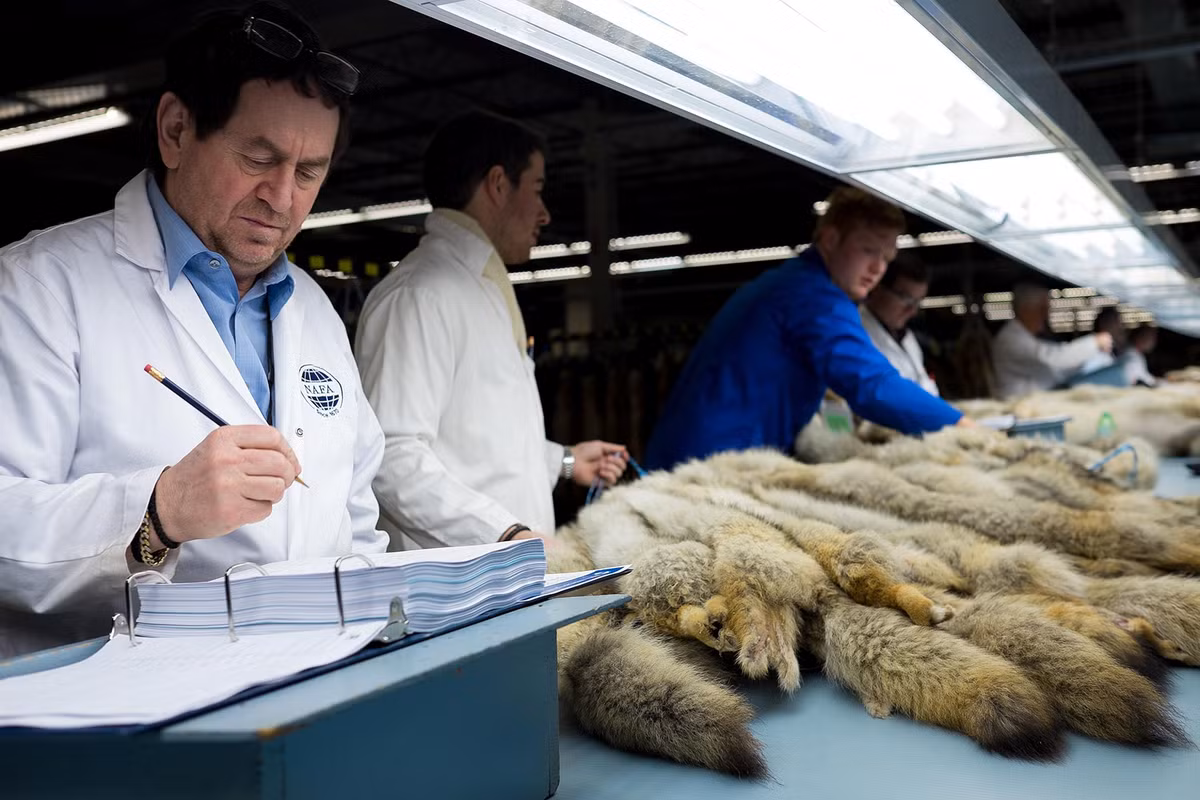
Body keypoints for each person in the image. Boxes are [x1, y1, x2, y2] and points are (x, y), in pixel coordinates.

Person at [0, 2, 386, 657]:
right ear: (176, 129)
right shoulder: (37, 286)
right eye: (258, 157)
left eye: (310, 172)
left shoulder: (314, 309)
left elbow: (355, 516)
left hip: (309, 688)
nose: (284, 197)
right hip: (110, 713)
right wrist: (157, 512)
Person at [355, 110, 627, 550]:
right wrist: (501, 533)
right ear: (498, 185)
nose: (545, 213)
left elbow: (481, 436)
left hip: (508, 575)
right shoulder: (421, 294)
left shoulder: (480, 288)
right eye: (536, 189)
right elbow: (392, 455)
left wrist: (564, 460)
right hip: (458, 592)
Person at [643, 187, 969, 471]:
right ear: (830, 239)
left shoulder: (794, 284)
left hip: (706, 455)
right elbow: (871, 386)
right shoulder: (813, 297)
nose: (878, 269)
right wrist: (960, 426)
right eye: (868, 250)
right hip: (709, 463)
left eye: (886, 257)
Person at [991, 283, 1113, 398]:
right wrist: (1094, 342)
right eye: (1043, 308)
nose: (1046, 315)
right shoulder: (1011, 340)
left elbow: (1057, 364)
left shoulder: (1025, 338)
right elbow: (1053, 359)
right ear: (1027, 309)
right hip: (1017, 405)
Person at [860, 255, 940, 396]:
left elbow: (924, 387)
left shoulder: (907, 338)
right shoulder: (856, 334)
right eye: (906, 298)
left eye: (917, 301)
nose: (912, 310)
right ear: (877, 288)